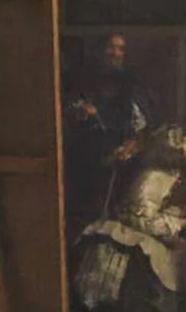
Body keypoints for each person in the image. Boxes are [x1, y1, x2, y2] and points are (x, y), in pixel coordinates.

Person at [70, 124, 186, 312]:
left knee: (183, 252)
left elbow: (155, 209)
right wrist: (182, 222)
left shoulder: (167, 173)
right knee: (167, 261)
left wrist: (183, 212)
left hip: (144, 227)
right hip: (131, 236)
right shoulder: (154, 178)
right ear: (176, 149)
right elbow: (141, 220)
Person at [64, 32, 151, 243]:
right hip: (88, 160)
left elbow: (142, 125)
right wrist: (83, 111)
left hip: (122, 161)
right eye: (111, 47)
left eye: (121, 49)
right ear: (99, 52)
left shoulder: (130, 84)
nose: (116, 53)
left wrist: (130, 147)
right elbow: (68, 115)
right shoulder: (83, 82)